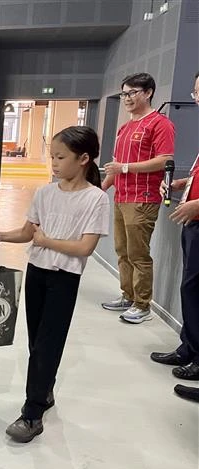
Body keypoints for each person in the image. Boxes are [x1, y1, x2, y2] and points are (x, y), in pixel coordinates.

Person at [0, 126, 110, 443]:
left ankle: (32, 414)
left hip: (64, 279)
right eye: (52, 156)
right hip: (37, 272)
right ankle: (44, 391)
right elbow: (28, 233)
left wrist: (47, 240)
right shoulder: (45, 193)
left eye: (60, 157)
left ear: (83, 159)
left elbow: (84, 248)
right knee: (36, 342)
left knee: (47, 345)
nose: (53, 163)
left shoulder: (96, 199)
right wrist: (1, 235)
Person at [100, 73, 175, 324]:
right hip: (121, 197)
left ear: (148, 92)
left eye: (132, 92)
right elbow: (115, 167)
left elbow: (165, 159)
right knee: (122, 250)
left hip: (142, 198)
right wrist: (102, 188)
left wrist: (126, 168)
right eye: (124, 94)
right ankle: (128, 295)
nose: (127, 98)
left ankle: (142, 305)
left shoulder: (159, 124)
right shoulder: (125, 127)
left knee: (138, 253)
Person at [151, 71, 199, 400]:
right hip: (193, 223)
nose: (196, 97)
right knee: (191, 288)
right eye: (195, 90)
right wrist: (184, 185)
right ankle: (189, 348)